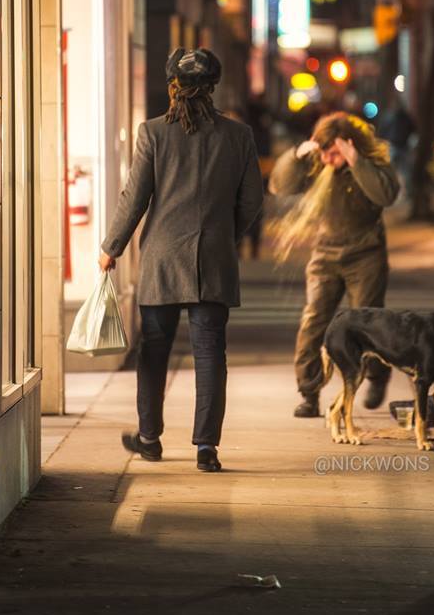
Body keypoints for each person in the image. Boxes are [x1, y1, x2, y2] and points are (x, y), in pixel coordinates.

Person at [99, 48, 263, 472]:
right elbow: (252, 202)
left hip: (162, 260)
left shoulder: (153, 132)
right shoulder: (239, 136)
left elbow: (134, 197)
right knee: (211, 353)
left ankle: (150, 439)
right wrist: (225, 235)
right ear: (212, 88)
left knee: (154, 350)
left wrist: (111, 247)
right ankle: (206, 448)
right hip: (214, 259)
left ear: (174, 86)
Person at [269, 112, 400, 418]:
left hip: (366, 253)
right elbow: (279, 185)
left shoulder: (370, 162)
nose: (328, 159)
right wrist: (297, 154)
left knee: (367, 322)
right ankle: (309, 391)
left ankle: (377, 375)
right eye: (324, 152)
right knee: (314, 322)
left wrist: (356, 160)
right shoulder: (317, 164)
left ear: (349, 145)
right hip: (325, 253)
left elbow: (386, 194)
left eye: (334, 152)